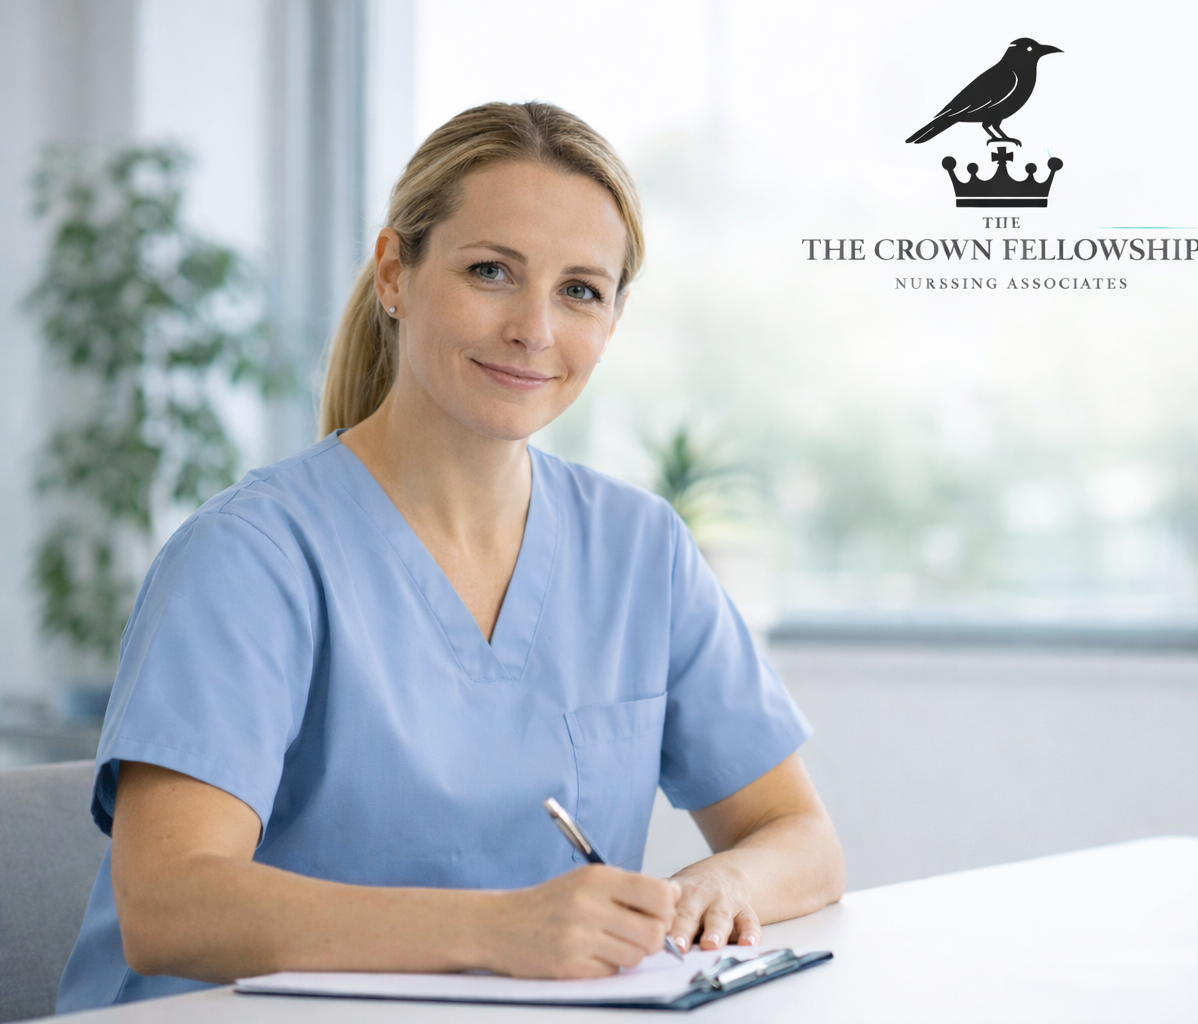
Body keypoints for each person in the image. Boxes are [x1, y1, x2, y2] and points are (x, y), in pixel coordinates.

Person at [55, 101, 845, 1012]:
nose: (535, 329)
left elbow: (799, 834)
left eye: (580, 290)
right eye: (490, 272)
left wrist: (726, 889)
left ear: (614, 320)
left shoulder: (642, 552)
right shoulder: (250, 558)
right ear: (396, 272)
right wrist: (499, 932)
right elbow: (170, 905)